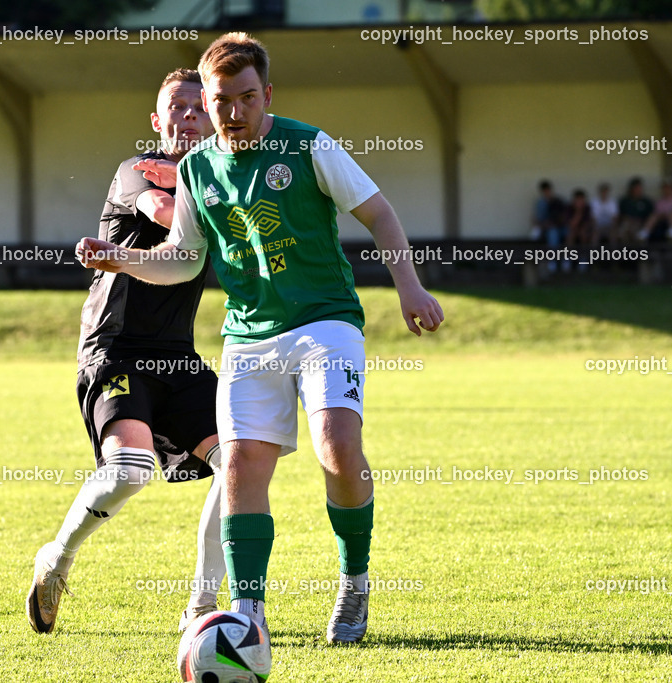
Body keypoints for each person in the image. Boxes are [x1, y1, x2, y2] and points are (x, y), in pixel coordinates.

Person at [77, 32, 443, 645]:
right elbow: (184, 259)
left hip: (325, 320)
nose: (234, 112)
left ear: (266, 93)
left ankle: (354, 579)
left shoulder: (307, 145)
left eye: (248, 98)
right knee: (242, 465)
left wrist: (409, 285)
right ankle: (248, 613)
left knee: (338, 448)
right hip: (249, 335)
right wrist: (120, 259)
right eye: (222, 100)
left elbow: (378, 213)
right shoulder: (195, 168)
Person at [27, 68, 225, 636]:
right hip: (114, 348)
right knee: (130, 472)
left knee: (237, 463)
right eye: (177, 107)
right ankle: (57, 559)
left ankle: (201, 608)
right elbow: (169, 220)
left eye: (198, 107)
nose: (189, 116)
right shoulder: (137, 170)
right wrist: (200, 193)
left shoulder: (210, 180)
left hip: (177, 356)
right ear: (157, 121)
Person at [617, 177, 654, 244]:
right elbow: (621, 215)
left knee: (637, 233)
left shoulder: (646, 202)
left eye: (640, 188)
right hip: (627, 223)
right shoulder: (625, 201)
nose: (638, 190)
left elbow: (650, 216)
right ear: (631, 189)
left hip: (641, 225)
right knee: (625, 228)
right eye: (636, 188)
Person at [641, 178, 672, 243]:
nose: (667, 190)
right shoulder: (660, 202)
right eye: (665, 188)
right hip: (662, 221)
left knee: (671, 214)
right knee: (653, 216)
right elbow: (657, 213)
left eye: (669, 188)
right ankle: (644, 234)